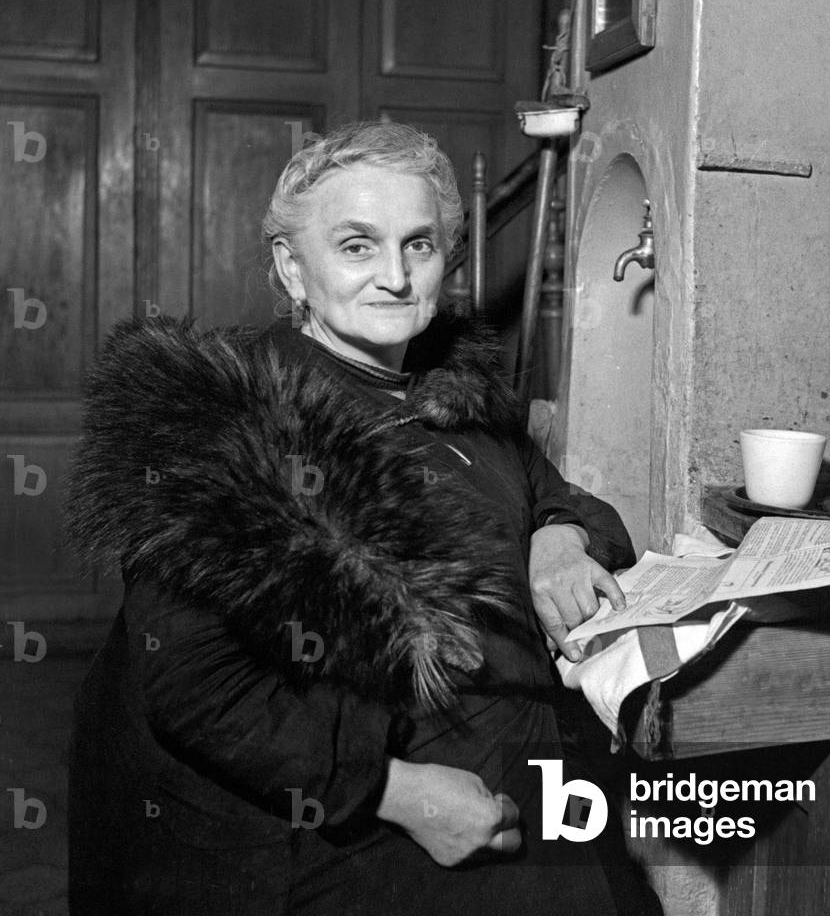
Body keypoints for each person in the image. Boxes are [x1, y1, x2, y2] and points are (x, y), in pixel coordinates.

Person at [65, 122, 664, 915]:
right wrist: (398, 793)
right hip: (328, 825)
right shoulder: (234, 421)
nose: (394, 275)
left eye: (419, 245)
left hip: (514, 768)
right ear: (292, 267)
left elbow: (546, 488)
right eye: (357, 246)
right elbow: (195, 686)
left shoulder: (453, 386)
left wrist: (558, 535)